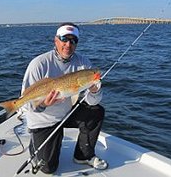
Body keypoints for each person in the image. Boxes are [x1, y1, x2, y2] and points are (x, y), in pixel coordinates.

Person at [21, 22, 108, 174]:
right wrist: (43, 104)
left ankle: (83, 155)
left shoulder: (83, 63)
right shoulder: (38, 64)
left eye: (73, 41)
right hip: (43, 118)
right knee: (48, 168)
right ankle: (37, 144)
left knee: (96, 111)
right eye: (64, 39)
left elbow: (92, 102)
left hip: (67, 112)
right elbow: (25, 104)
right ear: (56, 40)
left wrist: (94, 90)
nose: (68, 44)